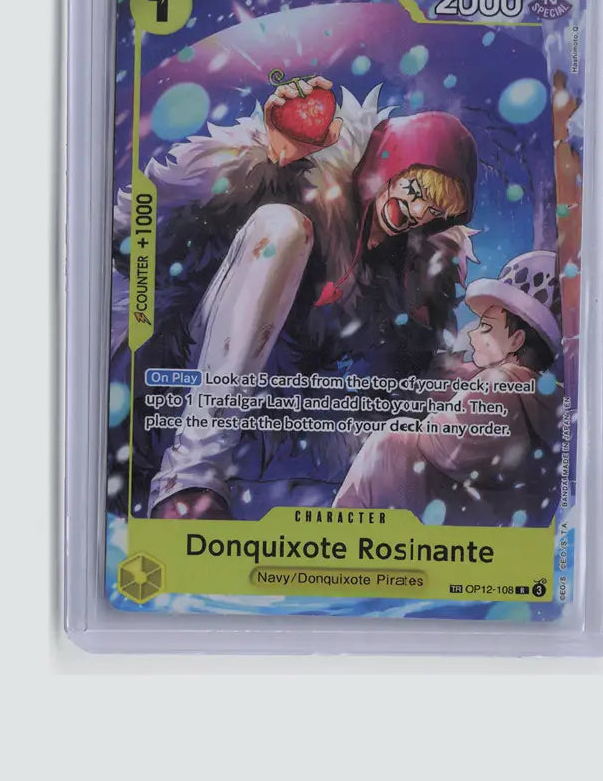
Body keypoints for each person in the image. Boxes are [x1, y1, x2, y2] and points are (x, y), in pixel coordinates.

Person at [111, 76, 479, 519]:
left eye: (435, 211)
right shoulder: (304, 187)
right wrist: (268, 161)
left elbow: (389, 386)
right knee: (284, 228)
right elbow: (144, 234)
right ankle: (188, 478)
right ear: (388, 164)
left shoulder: (405, 273)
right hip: (185, 376)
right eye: (416, 191)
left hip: (275, 414)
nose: (418, 213)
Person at [333, 251, 562, 527]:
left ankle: (342, 534)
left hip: (466, 517)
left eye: (486, 327)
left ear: (516, 340)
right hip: (508, 517)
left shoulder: (499, 382)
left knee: (388, 444)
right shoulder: (546, 396)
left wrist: (418, 419)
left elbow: (443, 445)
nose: (473, 334)